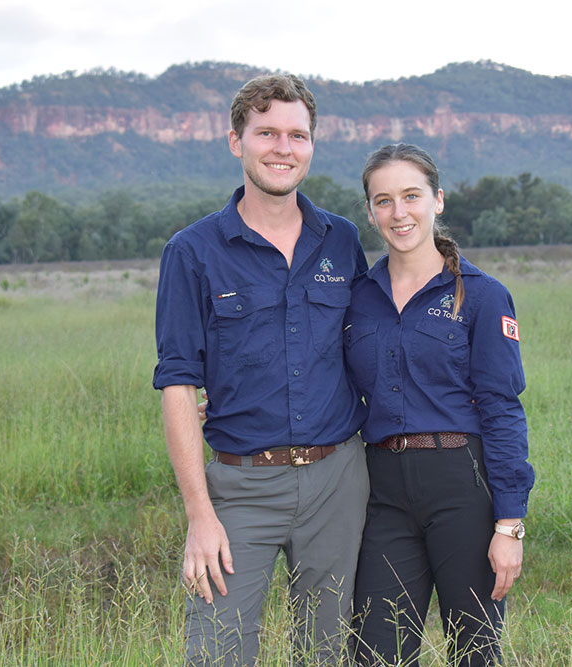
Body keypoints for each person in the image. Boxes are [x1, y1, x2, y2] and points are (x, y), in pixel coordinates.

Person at [152, 73, 370, 666]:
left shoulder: (342, 241)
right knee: (218, 652)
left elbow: (374, 347)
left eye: (297, 135)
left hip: (337, 481)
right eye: (266, 132)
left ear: (312, 145)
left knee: (325, 653)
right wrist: (200, 516)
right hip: (239, 487)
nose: (283, 147)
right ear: (236, 141)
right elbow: (177, 384)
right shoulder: (192, 252)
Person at [344, 144, 534, 666]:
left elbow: (501, 410)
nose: (398, 213)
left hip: (461, 486)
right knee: (376, 652)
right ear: (370, 212)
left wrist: (509, 524)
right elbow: (322, 380)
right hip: (382, 490)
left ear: (438, 201)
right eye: (383, 201)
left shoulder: (483, 295)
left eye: (411, 196)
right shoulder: (356, 297)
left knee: (474, 651)